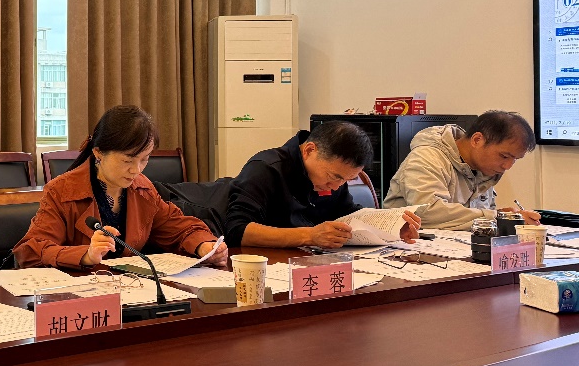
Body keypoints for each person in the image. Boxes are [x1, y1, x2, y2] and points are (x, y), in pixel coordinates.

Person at [13, 105, 226, 269]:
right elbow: (30, 252)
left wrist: (205, 246)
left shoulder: (143, 190)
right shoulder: (61, 191)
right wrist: (86, 255)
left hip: (130, 292)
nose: (136, 170)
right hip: (78, 297)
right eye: (127, 160)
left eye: (144, 159)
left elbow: (179, 228)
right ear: (98, 153)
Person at [225, 122, 420, 249]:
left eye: (345, 180)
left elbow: (347, 214)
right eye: (333, 177)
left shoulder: (335, 179)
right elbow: (237, 230)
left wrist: (391, 228)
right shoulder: (266, 168)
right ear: (309, 150)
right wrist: (310, 235)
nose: (335, 187)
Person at [383, 111, 540, 230]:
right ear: (477, 140)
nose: (507, 166)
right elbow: (428, 213)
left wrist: (504, 218)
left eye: (515, 159)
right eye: (504, 156)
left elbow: (477, 218)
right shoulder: (427, 158)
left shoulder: (484, 170)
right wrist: (497, 218)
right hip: (406, 251)